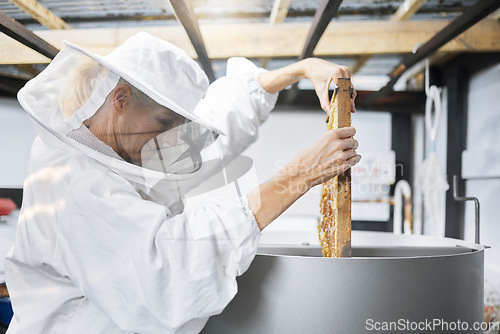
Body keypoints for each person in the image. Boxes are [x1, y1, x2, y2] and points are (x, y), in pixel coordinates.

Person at [5, 32, 360, 333]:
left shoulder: (126, 145)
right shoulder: (74, 181)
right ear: (121, 99)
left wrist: (299, 70)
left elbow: (220, 117)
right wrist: (297, 175)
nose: (174, 139)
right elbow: (166, 275)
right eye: (165, 123)